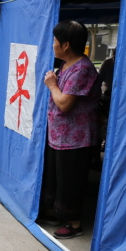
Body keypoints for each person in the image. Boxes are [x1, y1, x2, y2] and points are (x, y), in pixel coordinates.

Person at [39, 20, 101, 239]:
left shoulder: (82, 69)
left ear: (65, 45)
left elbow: (65, 104)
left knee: (70, 181)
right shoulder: (66, 64)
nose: (53, 45)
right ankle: (55, 213)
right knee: (56, 177)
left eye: (55, 41)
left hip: (76, 138)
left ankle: (74, 223)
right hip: (59, 135)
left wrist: (52, 85)